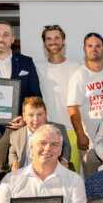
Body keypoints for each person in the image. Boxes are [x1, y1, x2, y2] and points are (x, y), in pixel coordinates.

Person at [0, 20, 42, 181]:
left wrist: (26, 119)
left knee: (22, 177)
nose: (1, 39)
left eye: (6, 35)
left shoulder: (26, 62)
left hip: (21, 131)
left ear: (13, 38)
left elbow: (36, 97)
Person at [67, 32, 103, 177]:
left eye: (98, 46)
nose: (94, 49)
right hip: (91, 143)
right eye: (90, 46)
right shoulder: (78, 75)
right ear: (84, 49)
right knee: (93, 183)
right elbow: (72, 107)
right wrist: (80, 135)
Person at [35, 24, 81, 172]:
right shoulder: (37, 67)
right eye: (49, 38)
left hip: (71, 130)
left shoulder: (75, 66)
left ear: (63, 41)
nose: (53, 41)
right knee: (46, 174)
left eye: (56, 38)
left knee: (70, 174)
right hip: (45, 130)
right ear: (44, 43)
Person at [8, 96, 71, 170]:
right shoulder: (16, 135)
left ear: (46, 114)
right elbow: (12, 152)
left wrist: (64, 161)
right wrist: (14, 163)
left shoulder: (59, 129)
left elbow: (66, 146)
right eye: (31, 115)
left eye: (40, 114)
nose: (35, 119)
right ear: (24, 116)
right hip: (25, 173)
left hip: (52, 172)